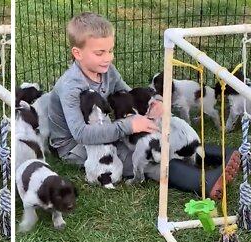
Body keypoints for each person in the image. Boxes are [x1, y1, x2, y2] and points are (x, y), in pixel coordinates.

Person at [47, 12, 240, 200]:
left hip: (104, 128)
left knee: (157, 136)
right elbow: (81, 133)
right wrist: (128, 126)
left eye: (110, 50)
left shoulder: (106, 70)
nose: (108, 58)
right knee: (144, 156)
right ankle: (202, 181)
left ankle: (223, 154)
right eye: (100, 53)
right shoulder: (70, 87)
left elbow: (128, 94)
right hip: (75, 145)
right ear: (77, 53)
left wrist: (152, 105)